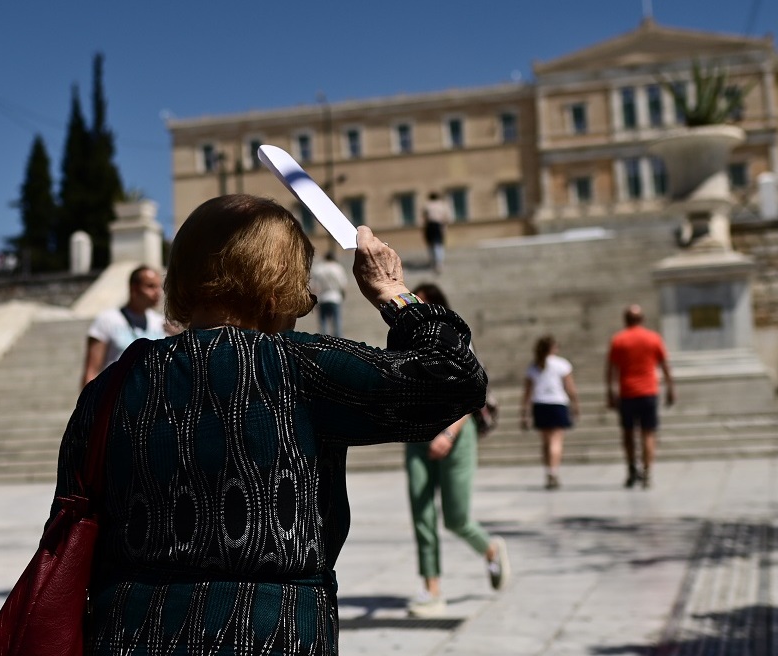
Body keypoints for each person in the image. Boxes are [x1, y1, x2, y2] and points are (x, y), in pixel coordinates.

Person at [47, 195, 486, 654]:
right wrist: (395, 293)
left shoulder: (109, 389)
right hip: (270, 631)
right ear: (278, 287)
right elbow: (455, 377)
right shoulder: (297, 367)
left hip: (129, 634)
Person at [401, 282, 510, 618]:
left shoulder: (455, 337)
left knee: (457, 518)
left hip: (456, 435)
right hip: (418, 435)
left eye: (419, 301)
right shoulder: (402, 339)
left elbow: (472, 392)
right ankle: (431, 590)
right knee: (422, 514)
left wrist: (448, 433)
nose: (411, 307)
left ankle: (490, 549)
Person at [606, 304, 675, 489]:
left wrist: (610, 393)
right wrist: (670, 388)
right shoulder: (653, 338)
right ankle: (647, 471)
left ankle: (631, 469)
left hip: (627, 392)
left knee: (628, 434)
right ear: (642, 319)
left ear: (625, 319)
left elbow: (611, 369)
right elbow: (665, 365)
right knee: (648, 433)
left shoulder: (619, 340)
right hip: (648, 392)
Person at [80, 265, 167, 389]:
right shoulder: (107, 320)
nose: (157, 292)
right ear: (134, 289)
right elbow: (92, 371)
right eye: (150, 286)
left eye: (158, 286)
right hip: (116, 399)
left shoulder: (160, 323)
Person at [520, 335, 579, 490]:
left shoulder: (533, 366)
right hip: (557, 403)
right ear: (553, 348)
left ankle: (548, 470)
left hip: (540, 404)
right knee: (556, 441)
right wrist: (575, 404)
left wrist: (524, 412)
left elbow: (527, 392)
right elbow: (570, 387)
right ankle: (553, 472)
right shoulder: (562, 364)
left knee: (546, 442)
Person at [310, 250, 348, 337]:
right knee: (337, 322)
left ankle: (324, 341)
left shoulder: (319, 269)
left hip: (322, 297)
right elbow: (343, 284)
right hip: (335, 297)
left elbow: (314, 286)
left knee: (323, 323)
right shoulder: (337, 268)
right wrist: (343, 295)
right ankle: (338, 342)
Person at [421, 192, 451, 274]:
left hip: (430, 225)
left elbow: (424, 218)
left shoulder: (427, 205)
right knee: (439, 245)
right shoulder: (442, 205)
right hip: (438, 225)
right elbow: (447, 218)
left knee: (431, 245)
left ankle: (433, 262)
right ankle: (439, 263)